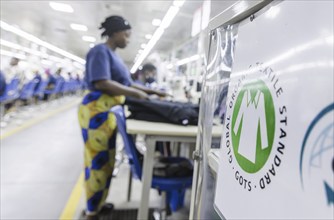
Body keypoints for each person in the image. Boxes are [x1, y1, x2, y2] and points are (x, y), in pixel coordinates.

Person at [78, 15, 167, 220]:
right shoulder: (99, 51)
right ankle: (91, 211)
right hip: (95, 111)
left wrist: (154, 93)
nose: (128, 39)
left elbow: (126, 83)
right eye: (126, 35)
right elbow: (101, 82)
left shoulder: (114, 55)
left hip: (107, 110)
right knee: (97, 161)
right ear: (115, 32)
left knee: (108, 159)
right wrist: (136, 94)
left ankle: (99, 203)